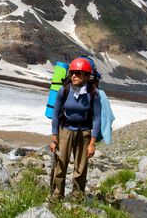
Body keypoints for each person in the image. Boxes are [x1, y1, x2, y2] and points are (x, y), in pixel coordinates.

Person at [49, 57, 101, 201]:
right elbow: (55, 115)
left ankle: (77, 198)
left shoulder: (93, 94)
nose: (73, 76)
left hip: (84, 133)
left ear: (86, 76)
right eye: (72, 73)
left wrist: (92, 143)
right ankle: (56, 197)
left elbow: (97, 118)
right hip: (65, 130)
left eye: (78, 73)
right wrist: (54, 138)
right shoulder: (63, 90)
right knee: (60, 165)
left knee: (81, 168)